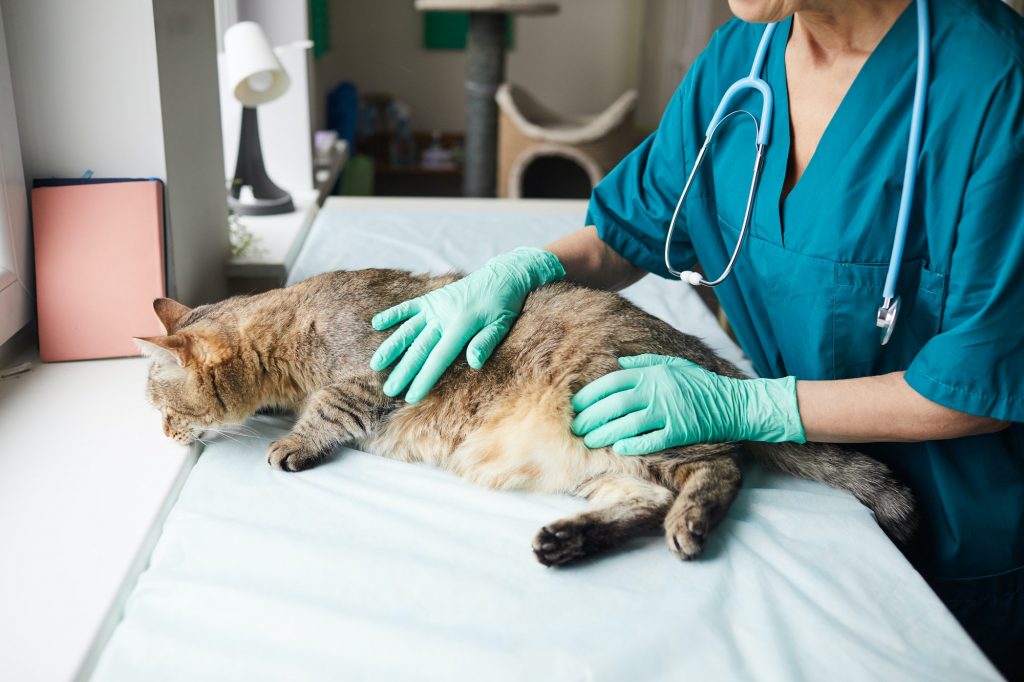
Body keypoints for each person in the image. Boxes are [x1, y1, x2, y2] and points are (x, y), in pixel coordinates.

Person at [368, 0, 1024, 676]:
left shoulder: (994, 84)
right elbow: (634, 225)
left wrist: (749, 409)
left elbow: (978, 388)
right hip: (808, 497)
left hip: (958, 536)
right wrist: (526, 269)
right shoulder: (744, 57)